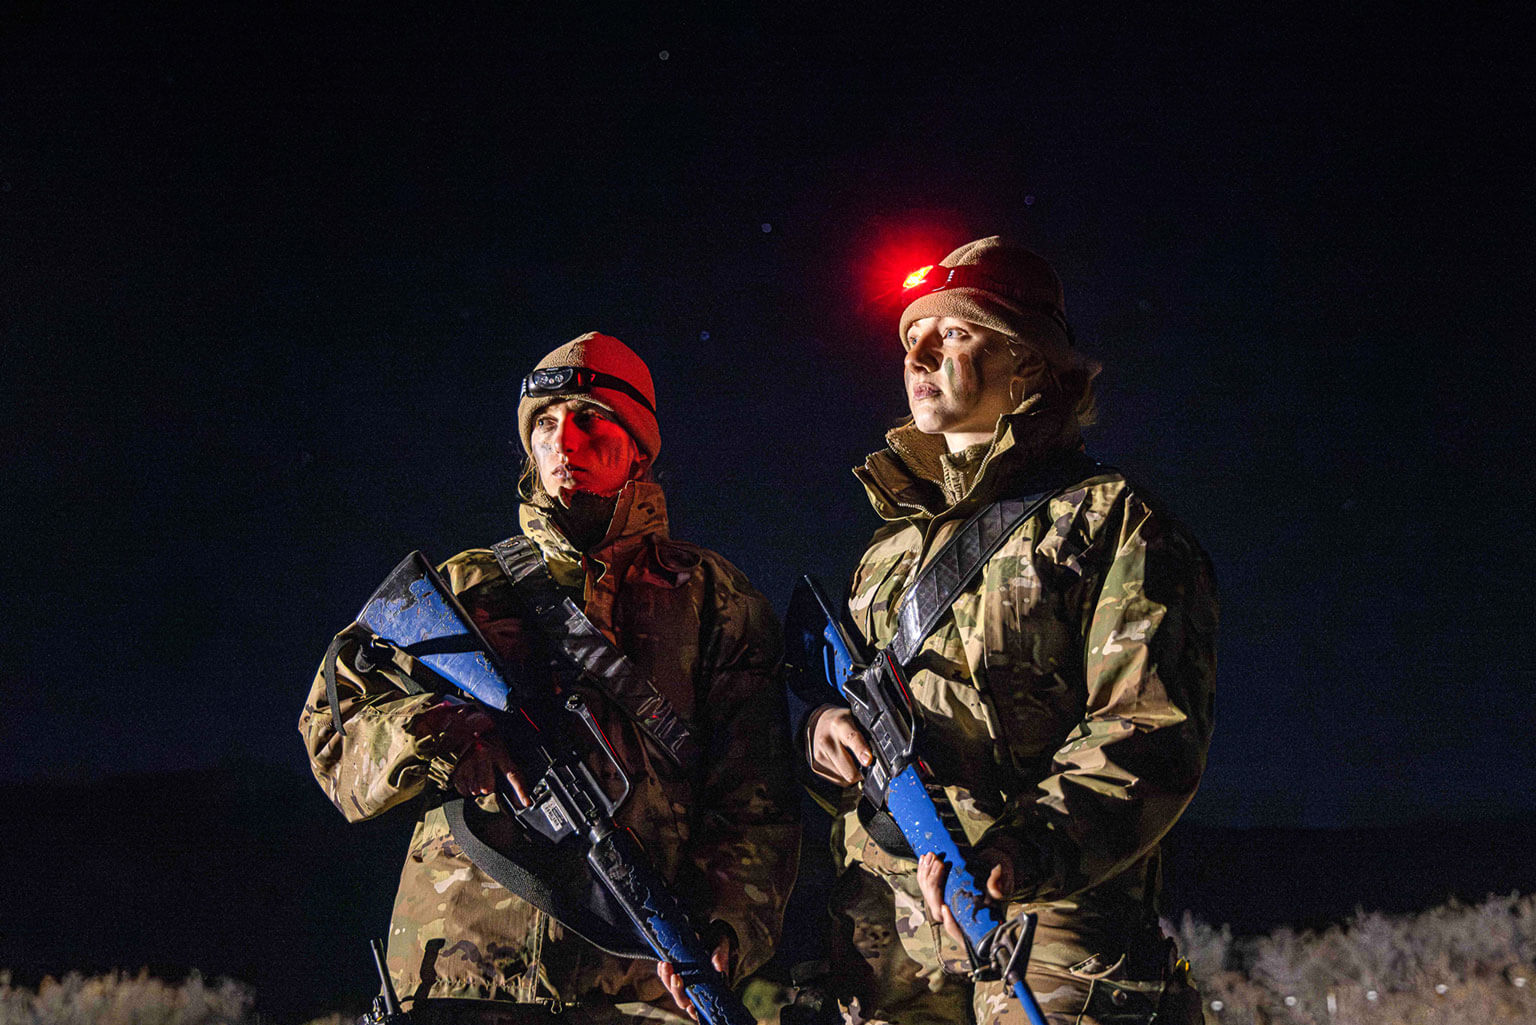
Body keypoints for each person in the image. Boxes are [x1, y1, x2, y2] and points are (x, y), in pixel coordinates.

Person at [300, 332, 800, 1025]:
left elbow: (758, 798)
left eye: (591, 418)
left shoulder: (714, 597)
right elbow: (333, 723)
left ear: (639, 445)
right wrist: (446, 737)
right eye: (544, 421)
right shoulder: (465, 584)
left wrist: (725, 932)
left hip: (641, 985)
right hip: (459, 978)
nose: (564, 437)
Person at [804, 238, 1217, 1024]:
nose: (919, 352)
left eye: (955, 332)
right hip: (888, 935)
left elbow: (1149, 730)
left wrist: (1020, 851)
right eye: (910, 338)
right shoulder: (887, 553)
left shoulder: (1114, 524)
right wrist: (823, 731)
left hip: (1050, 928)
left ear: (1031, 361)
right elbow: (847, 710)